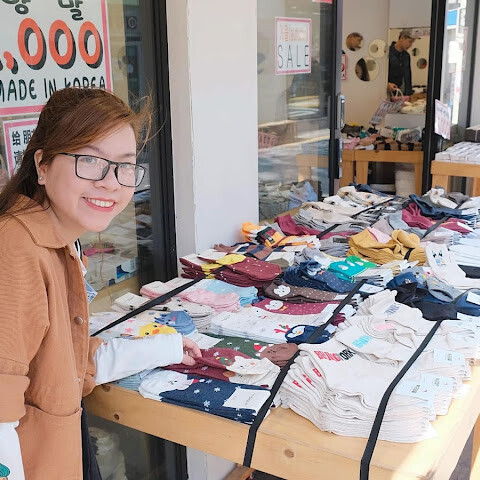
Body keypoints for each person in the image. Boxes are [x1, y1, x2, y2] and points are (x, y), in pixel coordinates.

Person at [0, 87, 202, 480]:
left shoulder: (61, 241)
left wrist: (166, 347)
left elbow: (68, 365)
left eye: (125, 165)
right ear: (42, 165)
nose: (111, 183)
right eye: (89, 160)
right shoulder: (15, 248)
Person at [388, 29, 417, 96]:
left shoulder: (406, 56)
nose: (410, 45)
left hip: (401, 93)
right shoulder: (388, 53)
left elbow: (407, 76)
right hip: (388, 92)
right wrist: (386, 84)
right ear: (402, 38)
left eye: (412, 42)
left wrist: (409, 94)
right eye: (410, 42)